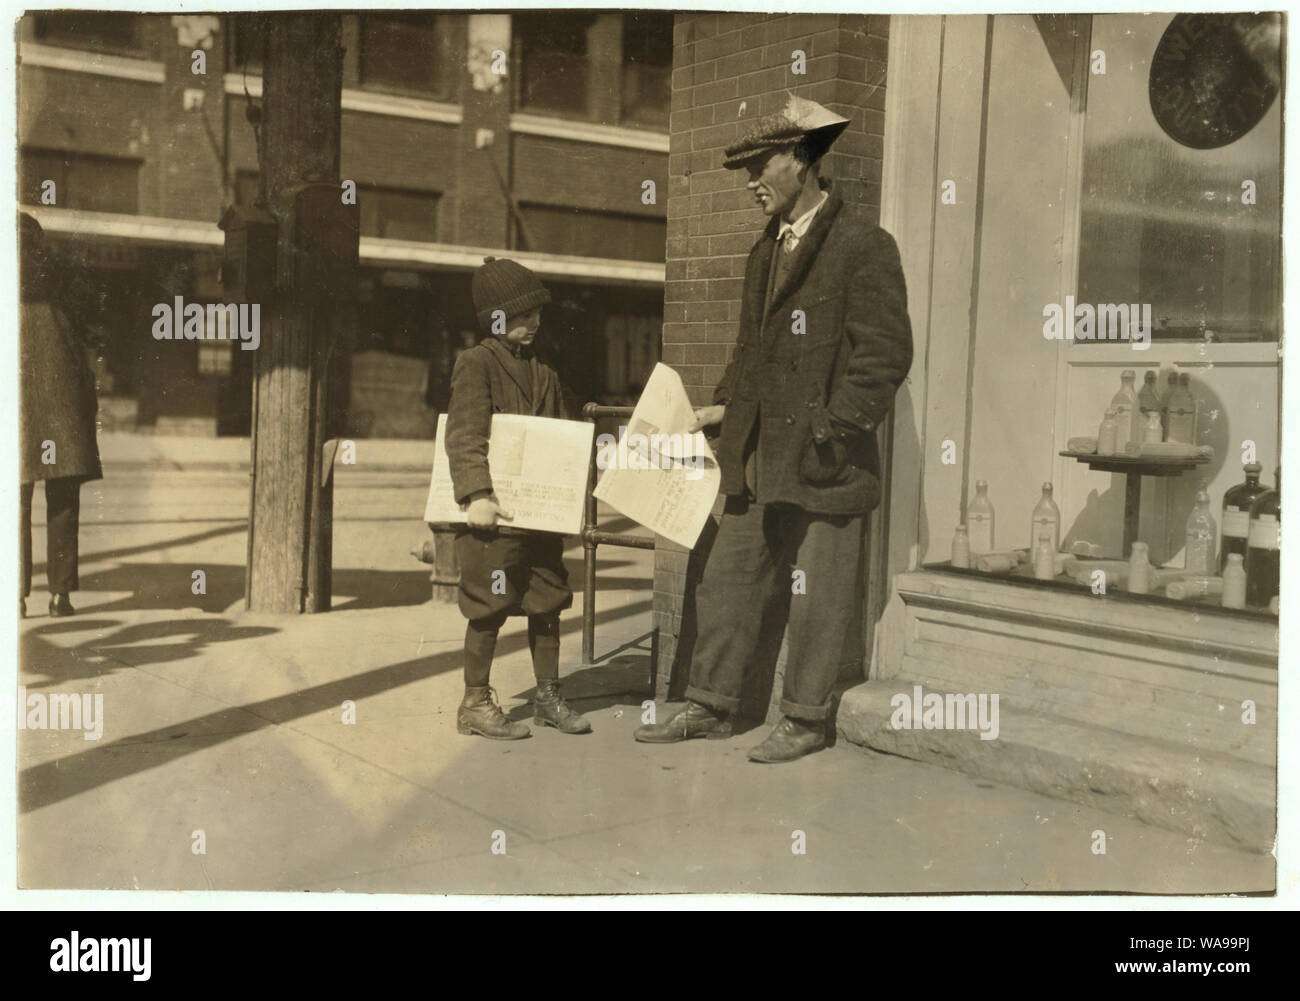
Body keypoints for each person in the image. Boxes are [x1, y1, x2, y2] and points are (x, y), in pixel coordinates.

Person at [635, 96, 914, 762]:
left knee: (817, 596)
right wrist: (722, 407)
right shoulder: (764, 250)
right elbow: (750, 351)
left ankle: (806, 716)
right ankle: (711, 704)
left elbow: (884, 356)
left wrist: (832, 427)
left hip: (826, 459)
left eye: (761, 163)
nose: (751, 179)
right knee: (727, 579)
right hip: (758, 453)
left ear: (805, 158)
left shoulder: (863, 246)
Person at [444, 257, 590, 739]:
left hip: (539, 514)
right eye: (524, 316)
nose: (535, 325)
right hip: (495, 515)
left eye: (538, 315)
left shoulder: (544, 372)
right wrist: (476, 494)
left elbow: (557, 438)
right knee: (488, 605)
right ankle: (475, 702)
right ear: (497, 318)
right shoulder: (476, 363)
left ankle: (547, 695)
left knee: (547, 600)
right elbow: (464, 435)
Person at [19, 213, 103, 619]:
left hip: (16, 406)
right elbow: (93, 334)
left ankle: (14, 595)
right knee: (63, 501)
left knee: (13, 502)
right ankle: (60, 596)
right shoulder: (65, 279)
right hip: (63, 405)